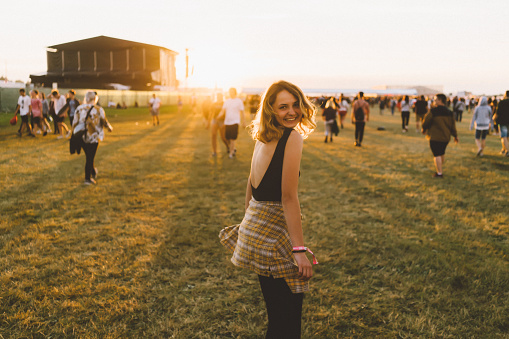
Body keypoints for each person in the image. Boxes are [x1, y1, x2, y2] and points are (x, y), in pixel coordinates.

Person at [219, 80, 317, 338]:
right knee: (288, 320)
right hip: (273, 238)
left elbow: (250, 185)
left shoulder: (262, 137)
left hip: (257, 235)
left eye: (296, 105)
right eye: (283, 106)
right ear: (270, 109)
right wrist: (299, 250)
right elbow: (288, 197)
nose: (292, 112)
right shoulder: (291, 137)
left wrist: (247, 224)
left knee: (277, 315)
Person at [71, 91, 113, 185]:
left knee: (89, 156)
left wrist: (74, 133)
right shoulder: (99, 109)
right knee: (90, 157)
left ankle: (93, 171)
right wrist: (109, 128)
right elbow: (104, 121)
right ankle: (87, 179)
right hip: (94, 137)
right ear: (95, 99)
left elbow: (74, 122)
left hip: (81, 136)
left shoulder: (79, 108)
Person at [421, 94, 459, 178]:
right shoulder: (449, 112)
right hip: (446, 137)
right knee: (441, 153)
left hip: (435, 137)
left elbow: (426, 121)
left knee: (436, 154)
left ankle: (439, 173)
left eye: (435, 100)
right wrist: (455, 136)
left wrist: (424, 129)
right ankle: (440, 169)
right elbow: (453, 126)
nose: (434, 101)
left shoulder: (433, 111)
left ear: (440, 100)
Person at [217, 88, 245, 158]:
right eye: (230, 92)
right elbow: (223, 111)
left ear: (235, 92)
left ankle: (231, 153)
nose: (231, 93)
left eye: (232, 92)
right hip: (227, 122)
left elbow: (242, 112)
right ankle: (233, 149)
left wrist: (243, 122)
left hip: (235, 122)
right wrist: (218, 116)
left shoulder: (239, 101)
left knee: (232, 138)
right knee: (228, 138)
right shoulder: (227, 101)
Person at [494, 90, 509, 156]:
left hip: (503, 122)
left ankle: (507, 151)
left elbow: (498, 112)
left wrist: (494, 118)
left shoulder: (502, 102)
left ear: (505, 95)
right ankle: (504, 149)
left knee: (504, 137)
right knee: (507, 137)